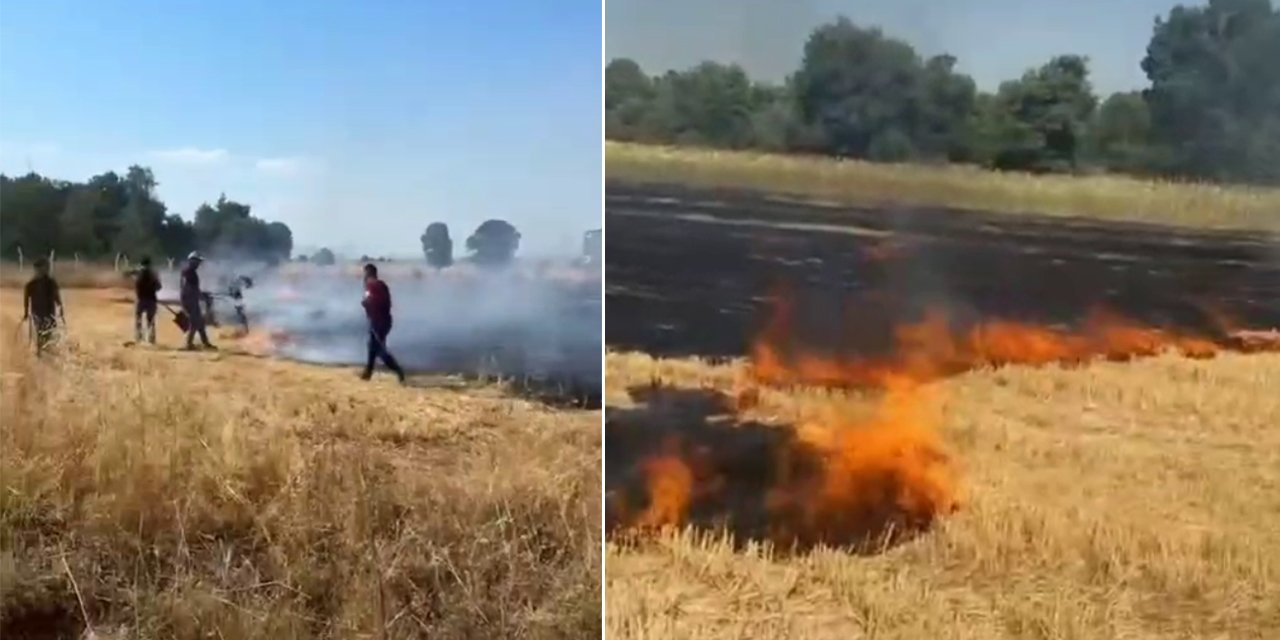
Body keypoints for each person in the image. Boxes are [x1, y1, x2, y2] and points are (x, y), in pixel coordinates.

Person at [360, 263, 406, 383]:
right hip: (383, 320)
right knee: (372, 346)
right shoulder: (381, 285)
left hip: (377, 321)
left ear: (368, 273)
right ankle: (367, 373)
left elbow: (372, 302)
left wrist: (365, 304)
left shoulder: (371, 286)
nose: (363, 275)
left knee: (379, 349)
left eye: (365, 273)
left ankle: (398, 371)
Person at [22, 257, 64, 356]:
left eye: (44, 268)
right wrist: (26, 313)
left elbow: (57, 297)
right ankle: (40, 354)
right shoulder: (30, 285)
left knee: (49, 333)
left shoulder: (51, 283)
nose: (42, 270)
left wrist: (61, 309)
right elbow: (26, 300)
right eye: (40, 268)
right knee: (40, 334)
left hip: (50, 313)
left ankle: (47, 353)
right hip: (37, 313)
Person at [179, 251, 216, 350]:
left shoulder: (187, 271)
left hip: (190, 299)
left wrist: (202, 295)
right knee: (195, 322)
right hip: (189, 300)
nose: (199, 264)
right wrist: (203, 297)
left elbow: (191, 288)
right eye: (197, 261)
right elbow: (191, 288)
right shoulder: (190, 272)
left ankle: (205, 343)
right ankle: (188, 344)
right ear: (192, 261)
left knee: (200, 323)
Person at [133, 256, 162, 344]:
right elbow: (159, 287)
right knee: (151, 321)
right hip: (151, 300)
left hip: (141, 299)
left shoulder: (138, 273)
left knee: (138, 320)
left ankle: (138, 338)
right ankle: (151, 339)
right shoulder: (153, 274)